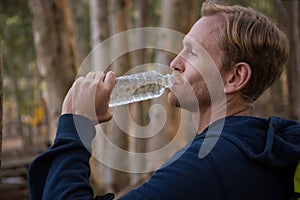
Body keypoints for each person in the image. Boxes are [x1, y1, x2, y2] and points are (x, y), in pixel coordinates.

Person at [28, 0, 300, 199]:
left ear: (234, 77)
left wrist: (74, 129)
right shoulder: (261, 146)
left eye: (192, 53)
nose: (174, 62)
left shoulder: (209, 164)